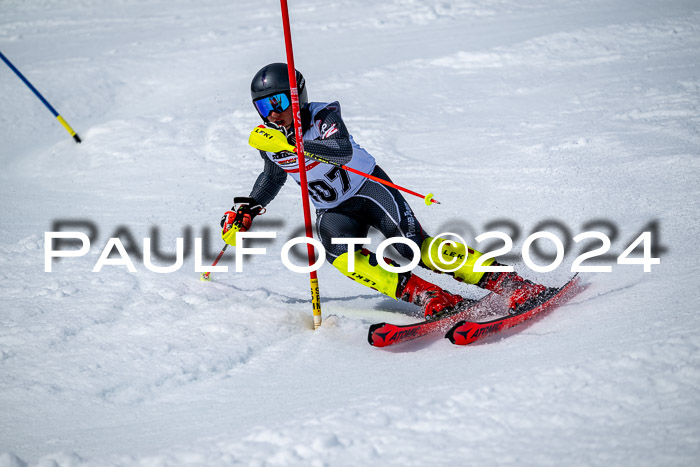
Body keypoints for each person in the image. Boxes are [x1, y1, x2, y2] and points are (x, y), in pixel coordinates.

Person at [221, 62, 553, 318]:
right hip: (333, 210)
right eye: (264, 108)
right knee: (341, 256)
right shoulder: (268, 139)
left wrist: (295, 144)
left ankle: (510, 284)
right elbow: (273, 176)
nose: (273, 113)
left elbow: (341, 151)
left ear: (297, 95)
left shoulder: (323, 115)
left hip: (370, 190)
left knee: (414, 248)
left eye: (278, 102)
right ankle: (430, 297)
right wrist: (248, 209)